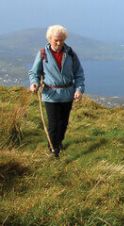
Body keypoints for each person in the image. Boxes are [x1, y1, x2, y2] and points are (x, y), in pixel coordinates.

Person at [28, 24, 85, 158]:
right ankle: (53, 152)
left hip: (67, 95)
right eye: (56, 40)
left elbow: (79, 73)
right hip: (50, 95)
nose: (59, 43)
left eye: (61, 40)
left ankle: (58, 143)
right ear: (49, 39)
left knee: (63, 124)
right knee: (53, 124)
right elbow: (34, 72)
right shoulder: (42, 53)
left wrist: (79, 89)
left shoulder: (70, 53)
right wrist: (34, 83)